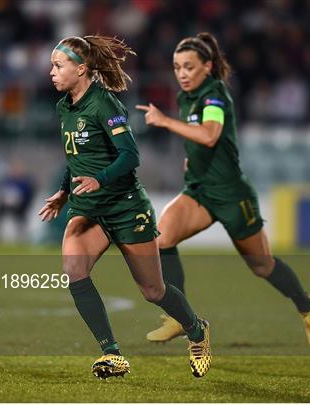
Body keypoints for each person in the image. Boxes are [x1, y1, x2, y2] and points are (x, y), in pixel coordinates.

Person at [136, 32, 310, 348]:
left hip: (232, 195)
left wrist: (166, 122)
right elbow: (203, 142)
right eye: (177, 67)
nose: (182, 74)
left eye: (189, 67)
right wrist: (191, 160)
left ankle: (307, 305)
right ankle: (179, 319)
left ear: (207, 67)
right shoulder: (187, 97)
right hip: (200, 191)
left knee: (262, 265)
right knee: (162, 238)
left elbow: (210, 135)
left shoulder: (214, 95)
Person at [38, 35, 211, 379]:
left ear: (81, 68)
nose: (52, 72)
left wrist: (100, 179)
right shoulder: (64, 107)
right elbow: (76, 159)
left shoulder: (105, 104)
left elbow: (131, 155)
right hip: (89, 208)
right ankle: (112, 354)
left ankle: (197, 330)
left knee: (153, 291)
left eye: (58, 65)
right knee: (75, 270)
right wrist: (62, 191)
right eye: (52, 65)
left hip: (125, 206)